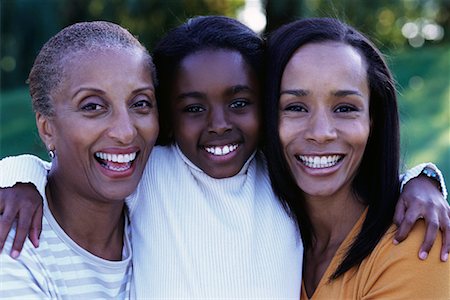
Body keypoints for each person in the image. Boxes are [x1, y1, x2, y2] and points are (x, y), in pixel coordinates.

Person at [0, 16, 448, 298]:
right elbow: (78, 169)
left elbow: (336, 161)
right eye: (193, 108)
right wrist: (18, 178)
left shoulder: (275, 169)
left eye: (240, 102)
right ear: (169, 117)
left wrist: (421, 180)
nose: (219, 124)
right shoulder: (154, 167)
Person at [264, 17, 450, 299]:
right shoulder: (257, 235)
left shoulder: (416, 242)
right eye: (296, 107)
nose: (321, 132)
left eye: (344, 108)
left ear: (373, 119)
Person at [0, 21, 159, 298]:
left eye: (140, 103)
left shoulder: (160, 215)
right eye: (93, 106)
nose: (125, 132)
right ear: (47, 128)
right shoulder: (14, 245)